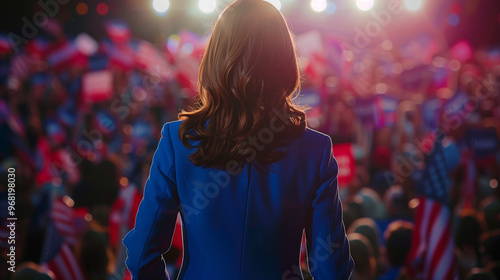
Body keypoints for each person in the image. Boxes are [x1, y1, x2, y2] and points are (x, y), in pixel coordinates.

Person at [122, 0, 354, 279]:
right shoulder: (315, 151)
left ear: (216, 57)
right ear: (284, 60)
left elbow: (141, 256)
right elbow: (331, 270)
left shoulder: (177, 141)